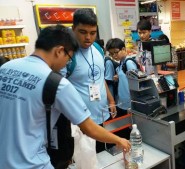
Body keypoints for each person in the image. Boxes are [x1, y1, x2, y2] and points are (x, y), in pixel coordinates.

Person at [0, 25, 130, 169]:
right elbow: (89, 128)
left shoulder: (6, 68)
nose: (67, 64)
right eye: (69, 59)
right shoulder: (56, 83)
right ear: (59, 51)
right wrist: (119, 140)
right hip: (33, 164)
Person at [63, 8, 117, 153]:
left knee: (105, 155)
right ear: (73, 29)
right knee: (87, 160)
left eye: (92, 33)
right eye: (83, 32)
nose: (88, 37)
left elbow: (100, 79)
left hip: (102, 115)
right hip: (81, 122)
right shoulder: (67, 55)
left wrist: (111, 100)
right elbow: (60, 90)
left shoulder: (98, 49)